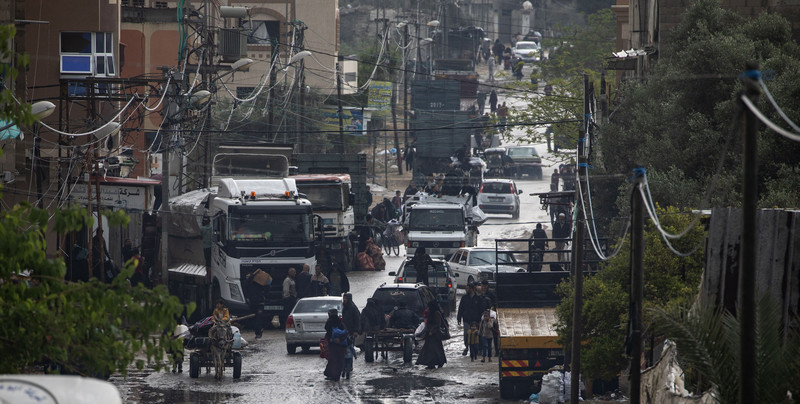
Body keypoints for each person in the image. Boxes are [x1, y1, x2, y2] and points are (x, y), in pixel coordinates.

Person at [416, 301, 447, 369]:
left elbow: (438, 324)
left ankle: (438, 362)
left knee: (436, 350)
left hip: (435, 335)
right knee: (430, 350)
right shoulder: (431, 313)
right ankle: (431, 364)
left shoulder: (436, 313)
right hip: (429, 334)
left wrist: (432, 331)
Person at [457, 283, 486, 356]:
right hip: (466, 319)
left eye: (467, 288)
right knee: (466, 334)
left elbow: (481, 310)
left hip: (476, 320)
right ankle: (467, 347)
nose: (466, 290)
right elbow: (460, 308)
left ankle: (478, 349)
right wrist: (459, 318)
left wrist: (481, 320)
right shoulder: (464, 298)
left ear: (472, 289)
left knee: (476, 335)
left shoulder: (478, 299)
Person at [245, 268, 272, 338]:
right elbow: (247, 283)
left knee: (258, 318)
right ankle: (258, 331)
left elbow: (268, 287)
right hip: (253, 303)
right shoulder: (250, 284)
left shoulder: (260, 285)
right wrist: (254, 274)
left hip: (260, 303)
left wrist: (264, 295)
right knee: (254, 318)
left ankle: (258, 333)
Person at [323, 308, 347, 381]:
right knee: (338, 360)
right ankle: (335, 375)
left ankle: (333, 375)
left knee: (333, 359)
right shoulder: (340, 323)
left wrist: (330, 339)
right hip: (339, 345)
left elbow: (327, 332)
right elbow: (345, 332)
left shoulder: (331, 323)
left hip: (334, 345)